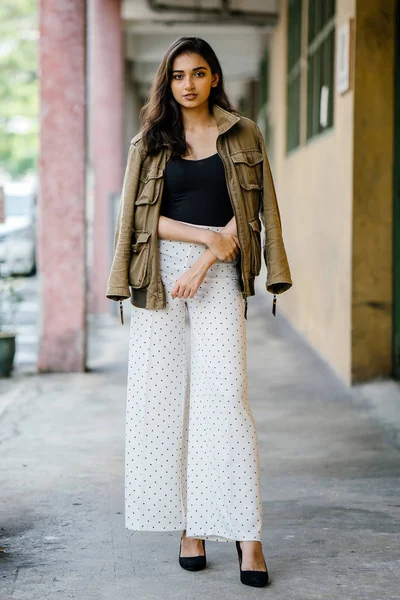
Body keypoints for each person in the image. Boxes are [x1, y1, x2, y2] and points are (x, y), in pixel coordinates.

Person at [106, 36, 292, 588]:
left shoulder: (244, 132)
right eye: (179, 75)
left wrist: (209, 258)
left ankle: (247, 534)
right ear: (167, 82)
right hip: (160, 276)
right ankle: (192, 525)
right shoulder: (150, 140)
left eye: (199, 72)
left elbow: (252, 207)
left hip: (221, 273)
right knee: (162, 402)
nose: (188, 84)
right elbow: (141, 219)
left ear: (215, 78)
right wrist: (205, 241)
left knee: (226, 401)